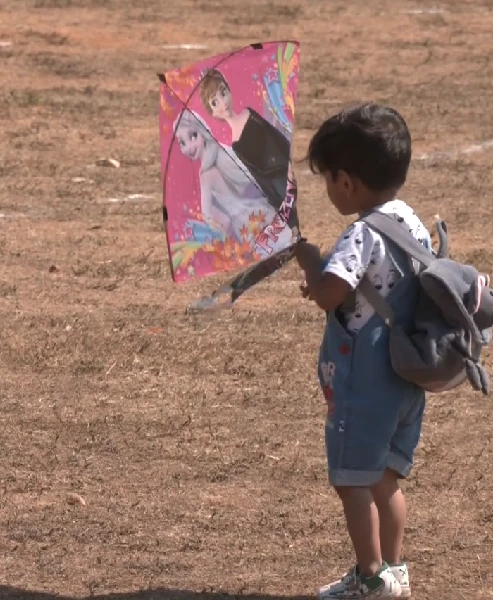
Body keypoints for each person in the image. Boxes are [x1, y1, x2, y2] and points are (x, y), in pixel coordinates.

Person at [293, 103, 432, 599]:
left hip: (365, 378)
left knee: (352, 479)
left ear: (347, 182)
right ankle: (395, 572)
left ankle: (371, 575)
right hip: (405, 374)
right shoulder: (409, 220)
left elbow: (333, 292)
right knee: (386, 479)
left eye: (328, 180)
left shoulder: (361, 231)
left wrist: (313, 273)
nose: (329, 190)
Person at [172, 109, 292, 254]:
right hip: (261, 210)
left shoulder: (205, 176)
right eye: (182, 143)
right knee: (287, 243)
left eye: (193, 136)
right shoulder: (225, 151)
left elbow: (207, 216)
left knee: (272, 253)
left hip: (246, 226)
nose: (189, 147)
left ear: (202, 131)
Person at [198, 68, 296, 220]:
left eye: (223, 93)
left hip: (285, 168)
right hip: (276, 184)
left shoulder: (248, 113)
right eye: (215, 102)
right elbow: (259, 176)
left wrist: (288, 162)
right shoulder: (235, 143)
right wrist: (275, 201)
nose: (223, 104)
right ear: (212, 113)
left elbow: (274, 136)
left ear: (229, 91)